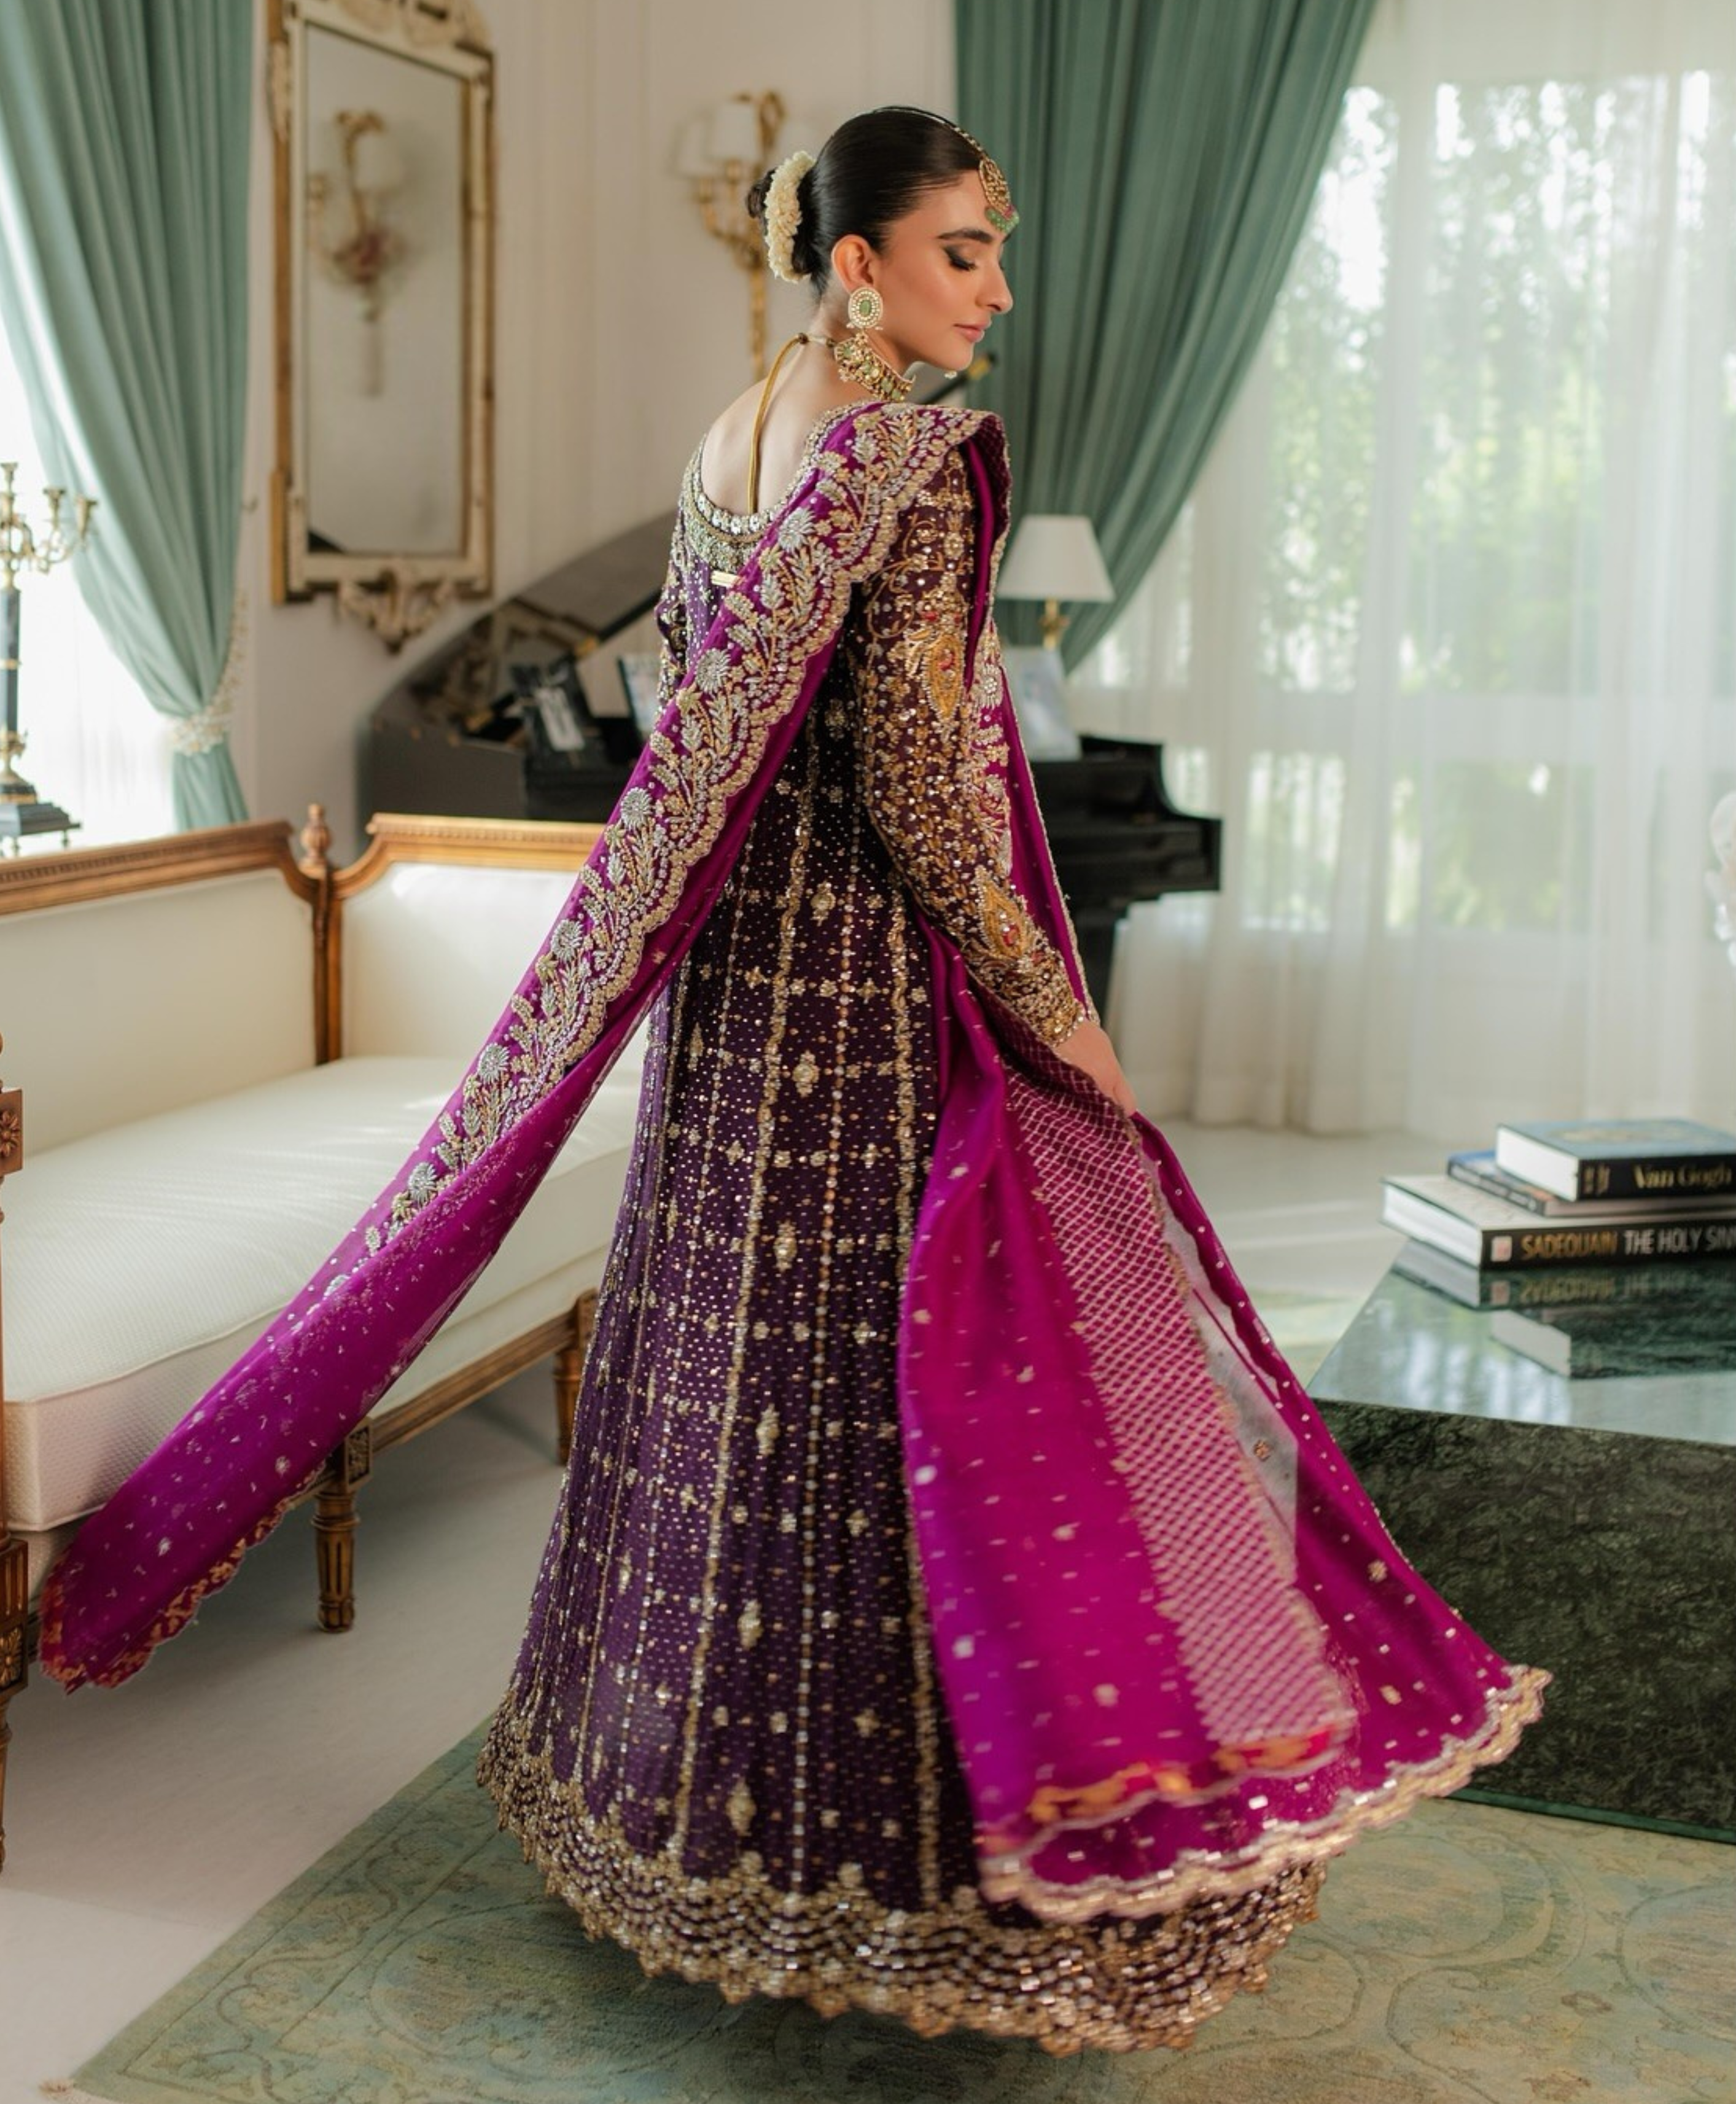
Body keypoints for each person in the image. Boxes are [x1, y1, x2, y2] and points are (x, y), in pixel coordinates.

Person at [41, 107, 1547, 2057]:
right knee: (884, 1381)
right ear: (858, 268)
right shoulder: (909, 459)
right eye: (962, 253)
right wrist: (1050, 1005)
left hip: (731, 989)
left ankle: (657, 1810)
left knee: (717, 1361)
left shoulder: (729, 441)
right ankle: (907, 1867)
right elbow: (926, 798)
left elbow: (708, 716)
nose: (997, 292)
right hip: (854, 996)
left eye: (998, 250)